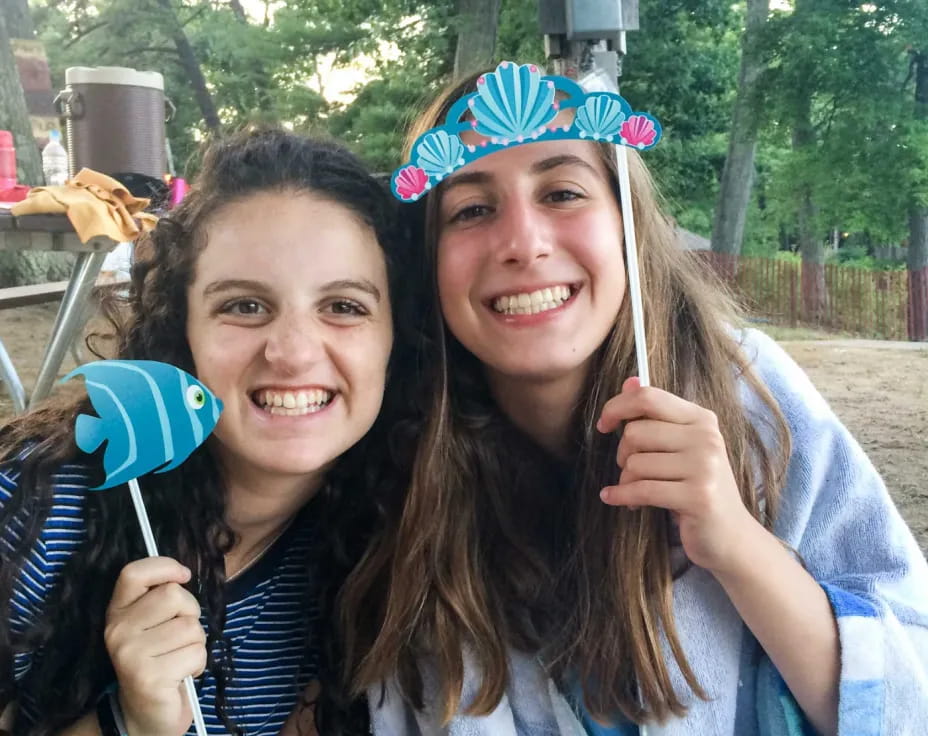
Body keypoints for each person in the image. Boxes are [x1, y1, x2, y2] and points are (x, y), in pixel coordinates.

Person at [340, 64, 928, 735]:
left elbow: (911, 702)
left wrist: (738, 546)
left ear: (627, 225)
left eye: (562, 193)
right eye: (472, 209)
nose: (524, 244)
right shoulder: (401, 466)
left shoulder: (754, 397)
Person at [0, 128, 411, 736]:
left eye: (344, 306)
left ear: (396, 339)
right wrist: (125, 724)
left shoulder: (394, 546)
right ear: (181, 329)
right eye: (244, 305)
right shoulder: (36, 509)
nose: (293, 353)